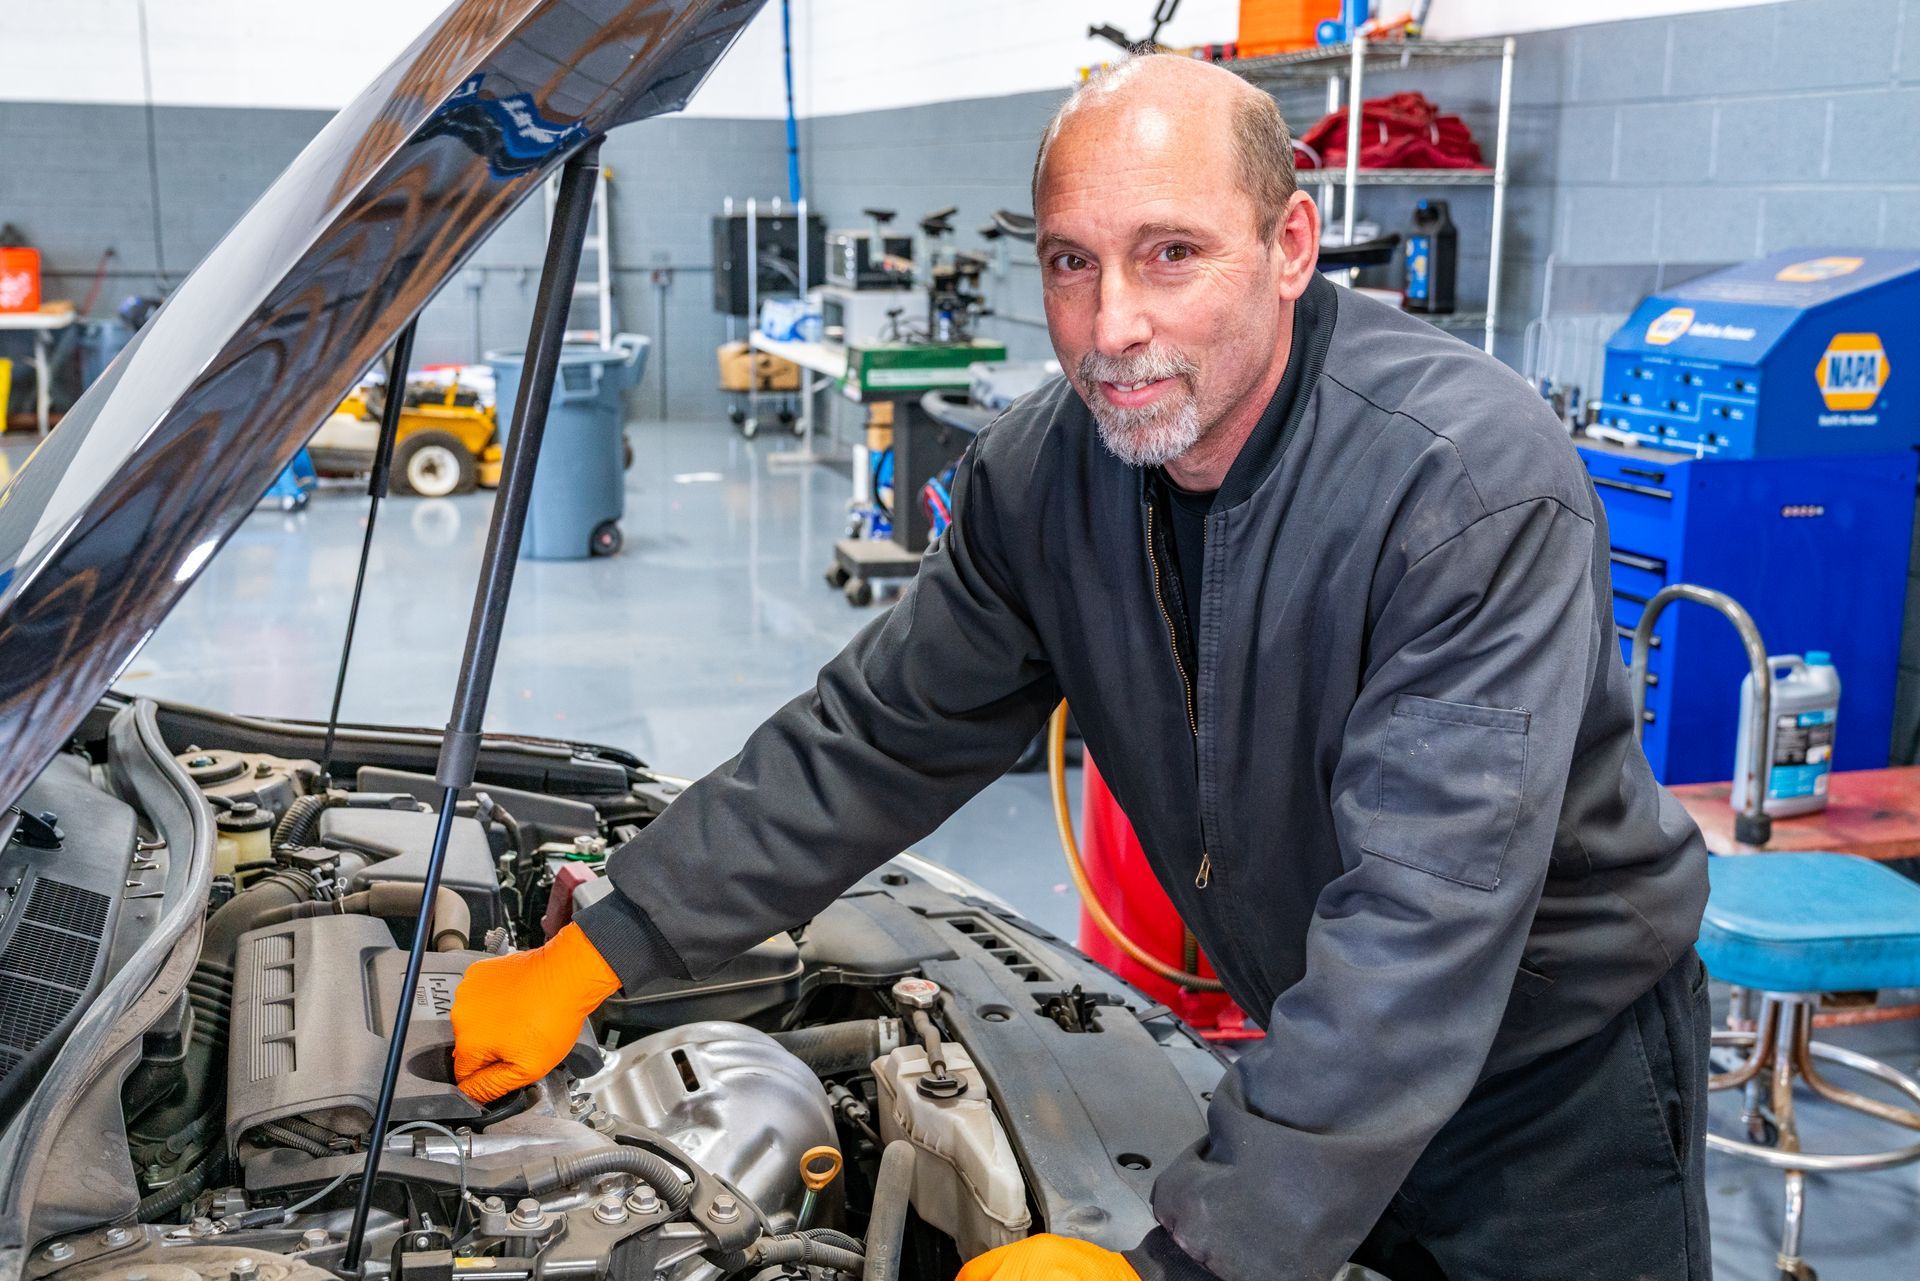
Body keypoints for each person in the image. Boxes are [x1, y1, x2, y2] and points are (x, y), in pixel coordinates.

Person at [451, 54, 1713, 1281]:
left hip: (1552, 1093)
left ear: (1289, 247)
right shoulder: (1047, 475)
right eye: (1071, 262)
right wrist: (605, 945)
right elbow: (878, 734)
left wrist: (1187, 1262)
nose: (1112, 326)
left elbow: (1423, 926)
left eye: (1171, 253)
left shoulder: (1462, 484)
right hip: (1321, 1068)